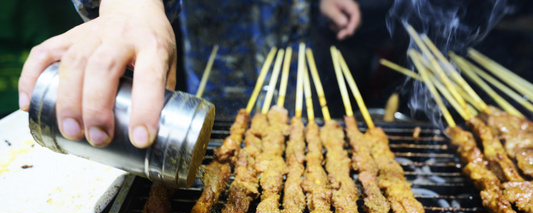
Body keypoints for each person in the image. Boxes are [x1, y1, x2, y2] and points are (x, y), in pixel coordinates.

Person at [18, 0, 360, 149]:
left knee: (303, 137)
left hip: (296, 35)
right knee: (216, 140)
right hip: (223, 49)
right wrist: (131, 4)